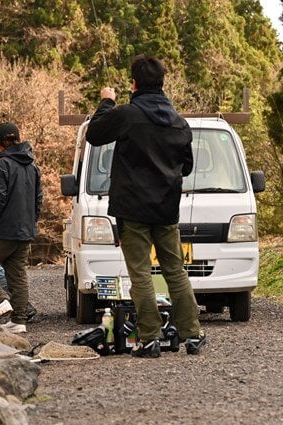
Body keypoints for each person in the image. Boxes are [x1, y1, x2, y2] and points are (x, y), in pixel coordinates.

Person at [85, 53, 206, 357]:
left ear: (134, 83)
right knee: (175, 270)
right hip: (166, 208)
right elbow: (187, 167)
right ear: (163, 83)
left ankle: (150, 339)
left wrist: (107, 101)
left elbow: (95, 134)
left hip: (133, 209)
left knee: (140, 273)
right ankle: (193, 335)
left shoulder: (127, 113)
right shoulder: (179, 123)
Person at [0, 122, 43, 333]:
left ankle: (0, 300)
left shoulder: (0, 166)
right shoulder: (32, 167)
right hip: (25, 230)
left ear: (1, 142)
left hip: (4, 229)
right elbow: (38, 201)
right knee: (17, 272)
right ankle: (19, 321)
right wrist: (30, 224)